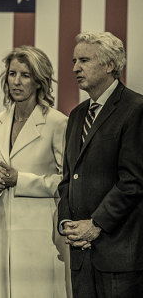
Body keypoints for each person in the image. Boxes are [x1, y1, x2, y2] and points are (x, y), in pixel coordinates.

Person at [57, 31, 143, 298]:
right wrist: (67, 223)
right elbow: (68, 178)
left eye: (84, 60)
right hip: (81, 254)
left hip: (119, 254)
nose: (75, 68)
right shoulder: (76, 115)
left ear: (109, 65)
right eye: (74, 60)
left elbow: (133, 180)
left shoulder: (135, 108)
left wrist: (95, 224)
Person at [0, 46, 71, 297]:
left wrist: (19, 179)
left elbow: (66, 182)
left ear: (39, 81)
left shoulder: (57, 122)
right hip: (1, 230)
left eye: (25, 75)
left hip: (40, 233)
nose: (16, 81)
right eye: (12, 74)